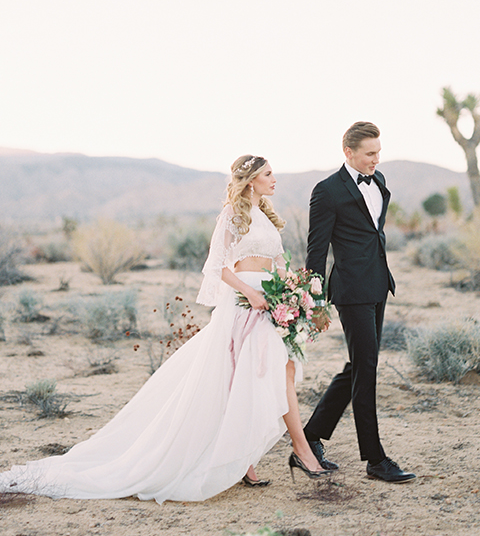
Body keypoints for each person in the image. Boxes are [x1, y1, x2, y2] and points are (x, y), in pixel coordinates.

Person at [0, 155, 328, 504]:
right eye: (268, 174)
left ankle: (265, 455)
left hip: (273, 303)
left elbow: (278, 263)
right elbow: (216, 266)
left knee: (275, 374)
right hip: (247, 304)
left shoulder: (265, 216)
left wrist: (295, 290)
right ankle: (284, 454)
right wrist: (250, 292)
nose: (274, 179)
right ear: (250, 181)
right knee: (244, 378)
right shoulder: (232, 215)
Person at [303, 122, 415, 483]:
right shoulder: (327, 191)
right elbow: (316, 251)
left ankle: (309, 436)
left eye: (378, 152)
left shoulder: (379, 182)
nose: (376, 159)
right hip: (350, 291)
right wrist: (315, 299)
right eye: (369, 153)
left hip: (378, 285)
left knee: (359, 365)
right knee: (366, 370)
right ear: (348, 152)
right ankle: (375, 460)